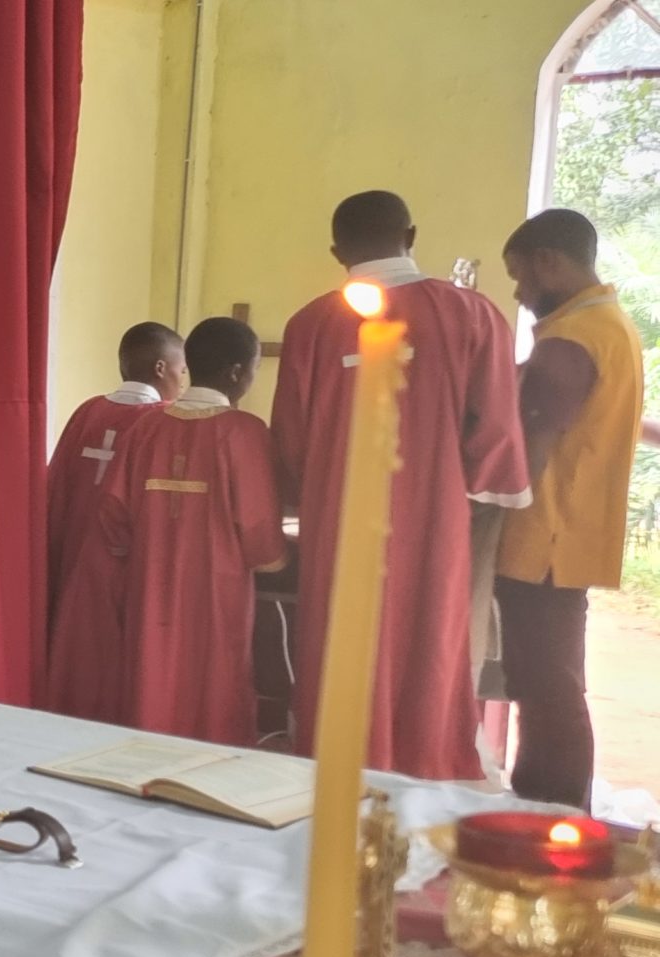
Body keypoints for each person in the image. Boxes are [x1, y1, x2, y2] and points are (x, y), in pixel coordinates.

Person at [272, 190, 530, 781]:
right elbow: (495, 429)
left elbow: (291, 440)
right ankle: (424, 765)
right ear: (410, 236)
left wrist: (304, 494)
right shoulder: (472, 313)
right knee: (428, 637)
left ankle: (335, 766)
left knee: (341, 637)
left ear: (337, 252)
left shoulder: (312, 324)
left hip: (338, 520)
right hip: (434, 518)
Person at [494, 209, 647, 809]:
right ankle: (549, 807)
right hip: (573, 530)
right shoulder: (610, 324)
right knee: (549, 683)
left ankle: (551, 813)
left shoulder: (572, 339)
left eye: (520, 277)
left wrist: (484, 499)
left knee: (545, 688)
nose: (518, 292)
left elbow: (532, 445)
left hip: (545, 535)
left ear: (549, 262)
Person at [99, 317, 288, 745]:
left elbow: (114, 511)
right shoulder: (245, 432)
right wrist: (278, 559)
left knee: (150, 675)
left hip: (150, 586)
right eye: (255, 370)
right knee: (213, 683)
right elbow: (258, 529)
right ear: (237, 373)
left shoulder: (146, 426)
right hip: (216, 592)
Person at [44, 322, 185, 722]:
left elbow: (55, 483)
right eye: (182, 369)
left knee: (75, 643)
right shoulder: (162, 420)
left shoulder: (88, 410)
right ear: (161, 368)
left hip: (73, 547)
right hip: (123, 558)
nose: (182, 380)